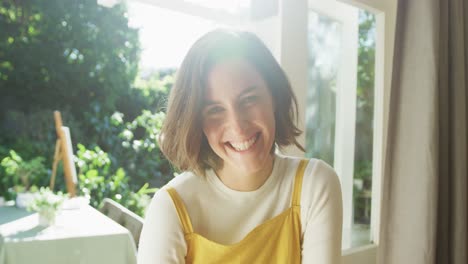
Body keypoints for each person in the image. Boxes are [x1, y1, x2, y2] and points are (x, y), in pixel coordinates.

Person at [138, 29, 343, 264]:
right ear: (197, 121)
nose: (238, 126)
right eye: (215, 109)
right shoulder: (172, 207)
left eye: (249, 99)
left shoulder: (314, 184)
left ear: (273, 97)